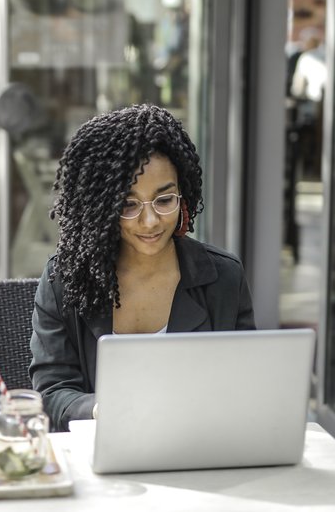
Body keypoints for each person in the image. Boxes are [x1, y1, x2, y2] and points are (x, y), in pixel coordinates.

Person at [29, 104, 257, 431]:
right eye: (128, 204)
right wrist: (100, 409)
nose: (149, 222)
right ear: (101, 207)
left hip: (200, 450)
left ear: (184, 196)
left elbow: (246, 386)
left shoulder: (223, 278)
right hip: (99, 457)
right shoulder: (64, 280)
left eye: (164, 201)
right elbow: (52, 392)